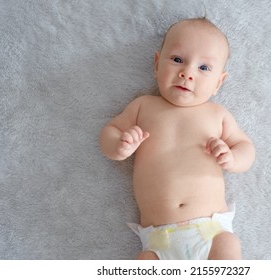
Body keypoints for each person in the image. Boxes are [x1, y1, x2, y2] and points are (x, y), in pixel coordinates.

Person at [99, 17, 255, 260]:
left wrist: (232, 158)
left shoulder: (217, 114)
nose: (187, 73)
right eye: (178, 60)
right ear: (157, 64)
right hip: (159, 241)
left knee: (229, 245)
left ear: (219, 82)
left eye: (204, 68)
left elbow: (246, 148)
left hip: (211, 232)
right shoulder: (143, 106)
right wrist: (119, 146)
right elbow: (110, 132)